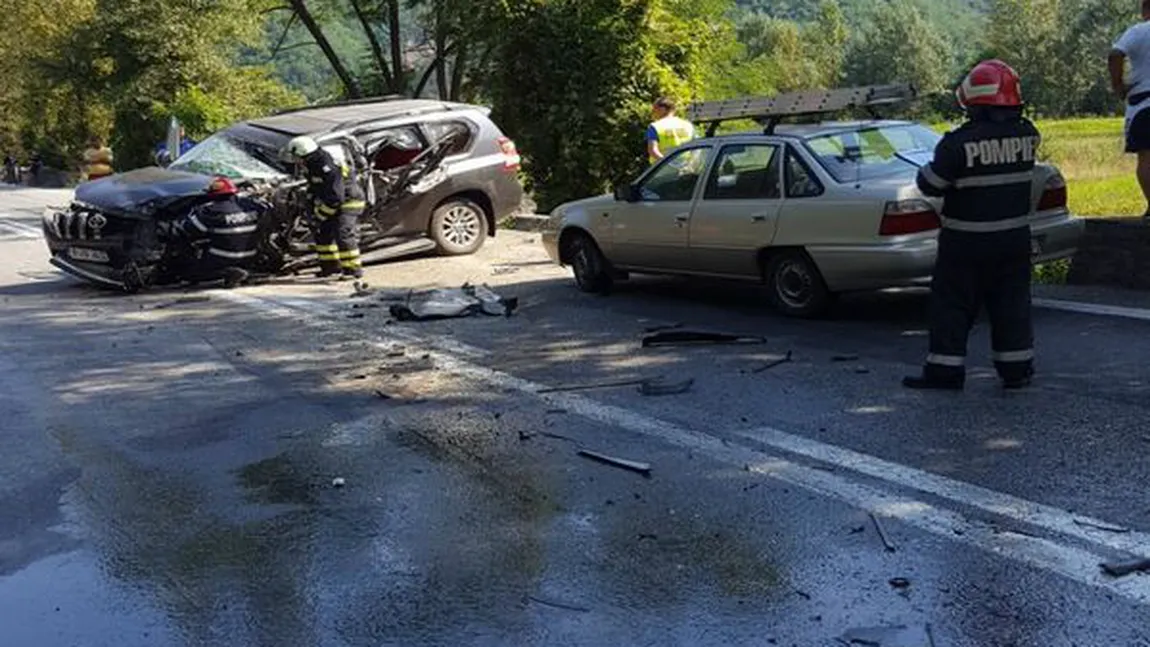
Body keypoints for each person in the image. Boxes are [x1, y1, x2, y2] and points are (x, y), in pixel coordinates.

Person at [902, 59, 1041, 391]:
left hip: (965, 243)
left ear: (975, 103)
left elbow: (932, 185)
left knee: (952, 304)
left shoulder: (956, 144)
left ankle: (945, 371)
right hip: (1014, 240)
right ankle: (1016, 369)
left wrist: (925, 170)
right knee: (1012, 304)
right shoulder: (1028, 135)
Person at [285, 136, 365, 279]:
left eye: (296, 156)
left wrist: (320, 215)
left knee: (343, 233)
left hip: (348, 201)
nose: (295, 160)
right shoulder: (311, 164)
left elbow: (336, 198)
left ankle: (353, 270)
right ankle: (331, 268)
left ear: (305, 153)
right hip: (331, 201)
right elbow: (316, 187)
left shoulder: (327, 166)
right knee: (322, 233)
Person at [171, 177, 260, 287]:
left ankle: (228, 272)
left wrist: (179, 222)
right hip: (251, 255)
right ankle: (241, 271)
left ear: (213, 195)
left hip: (224, 256)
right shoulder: (249, 205)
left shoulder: (212, 210)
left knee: (188, 273)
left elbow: (189, 230)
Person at [1109, 0, 1150, 223]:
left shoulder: (1138, 31)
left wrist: (1118, 85)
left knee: (1146, 156)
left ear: (1145, 10)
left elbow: (1115, 53)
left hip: (1145, 103)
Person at [646, 97, 695, 165]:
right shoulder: (688, 125)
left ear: (662, 109)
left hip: (662, 169)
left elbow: (653, 151)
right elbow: (696, 150)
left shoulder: (655, 126)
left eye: (654, 109)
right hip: (685, 167)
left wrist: (668, 164)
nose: (653, 112)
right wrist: (691, 164)